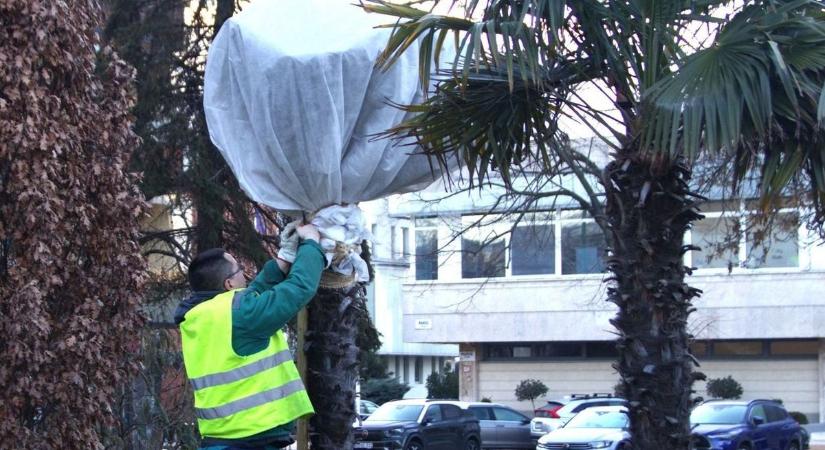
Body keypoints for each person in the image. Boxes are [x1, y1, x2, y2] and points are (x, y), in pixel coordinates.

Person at [175, 222, 325, 450]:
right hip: (250, 438)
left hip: (222, 438)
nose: (245, 275)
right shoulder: (240, 314)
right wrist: (312, 244)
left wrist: (283, 260)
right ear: (229, 284)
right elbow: (300, 287)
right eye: (239, 271)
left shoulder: (200, 317)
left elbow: (253, 295)